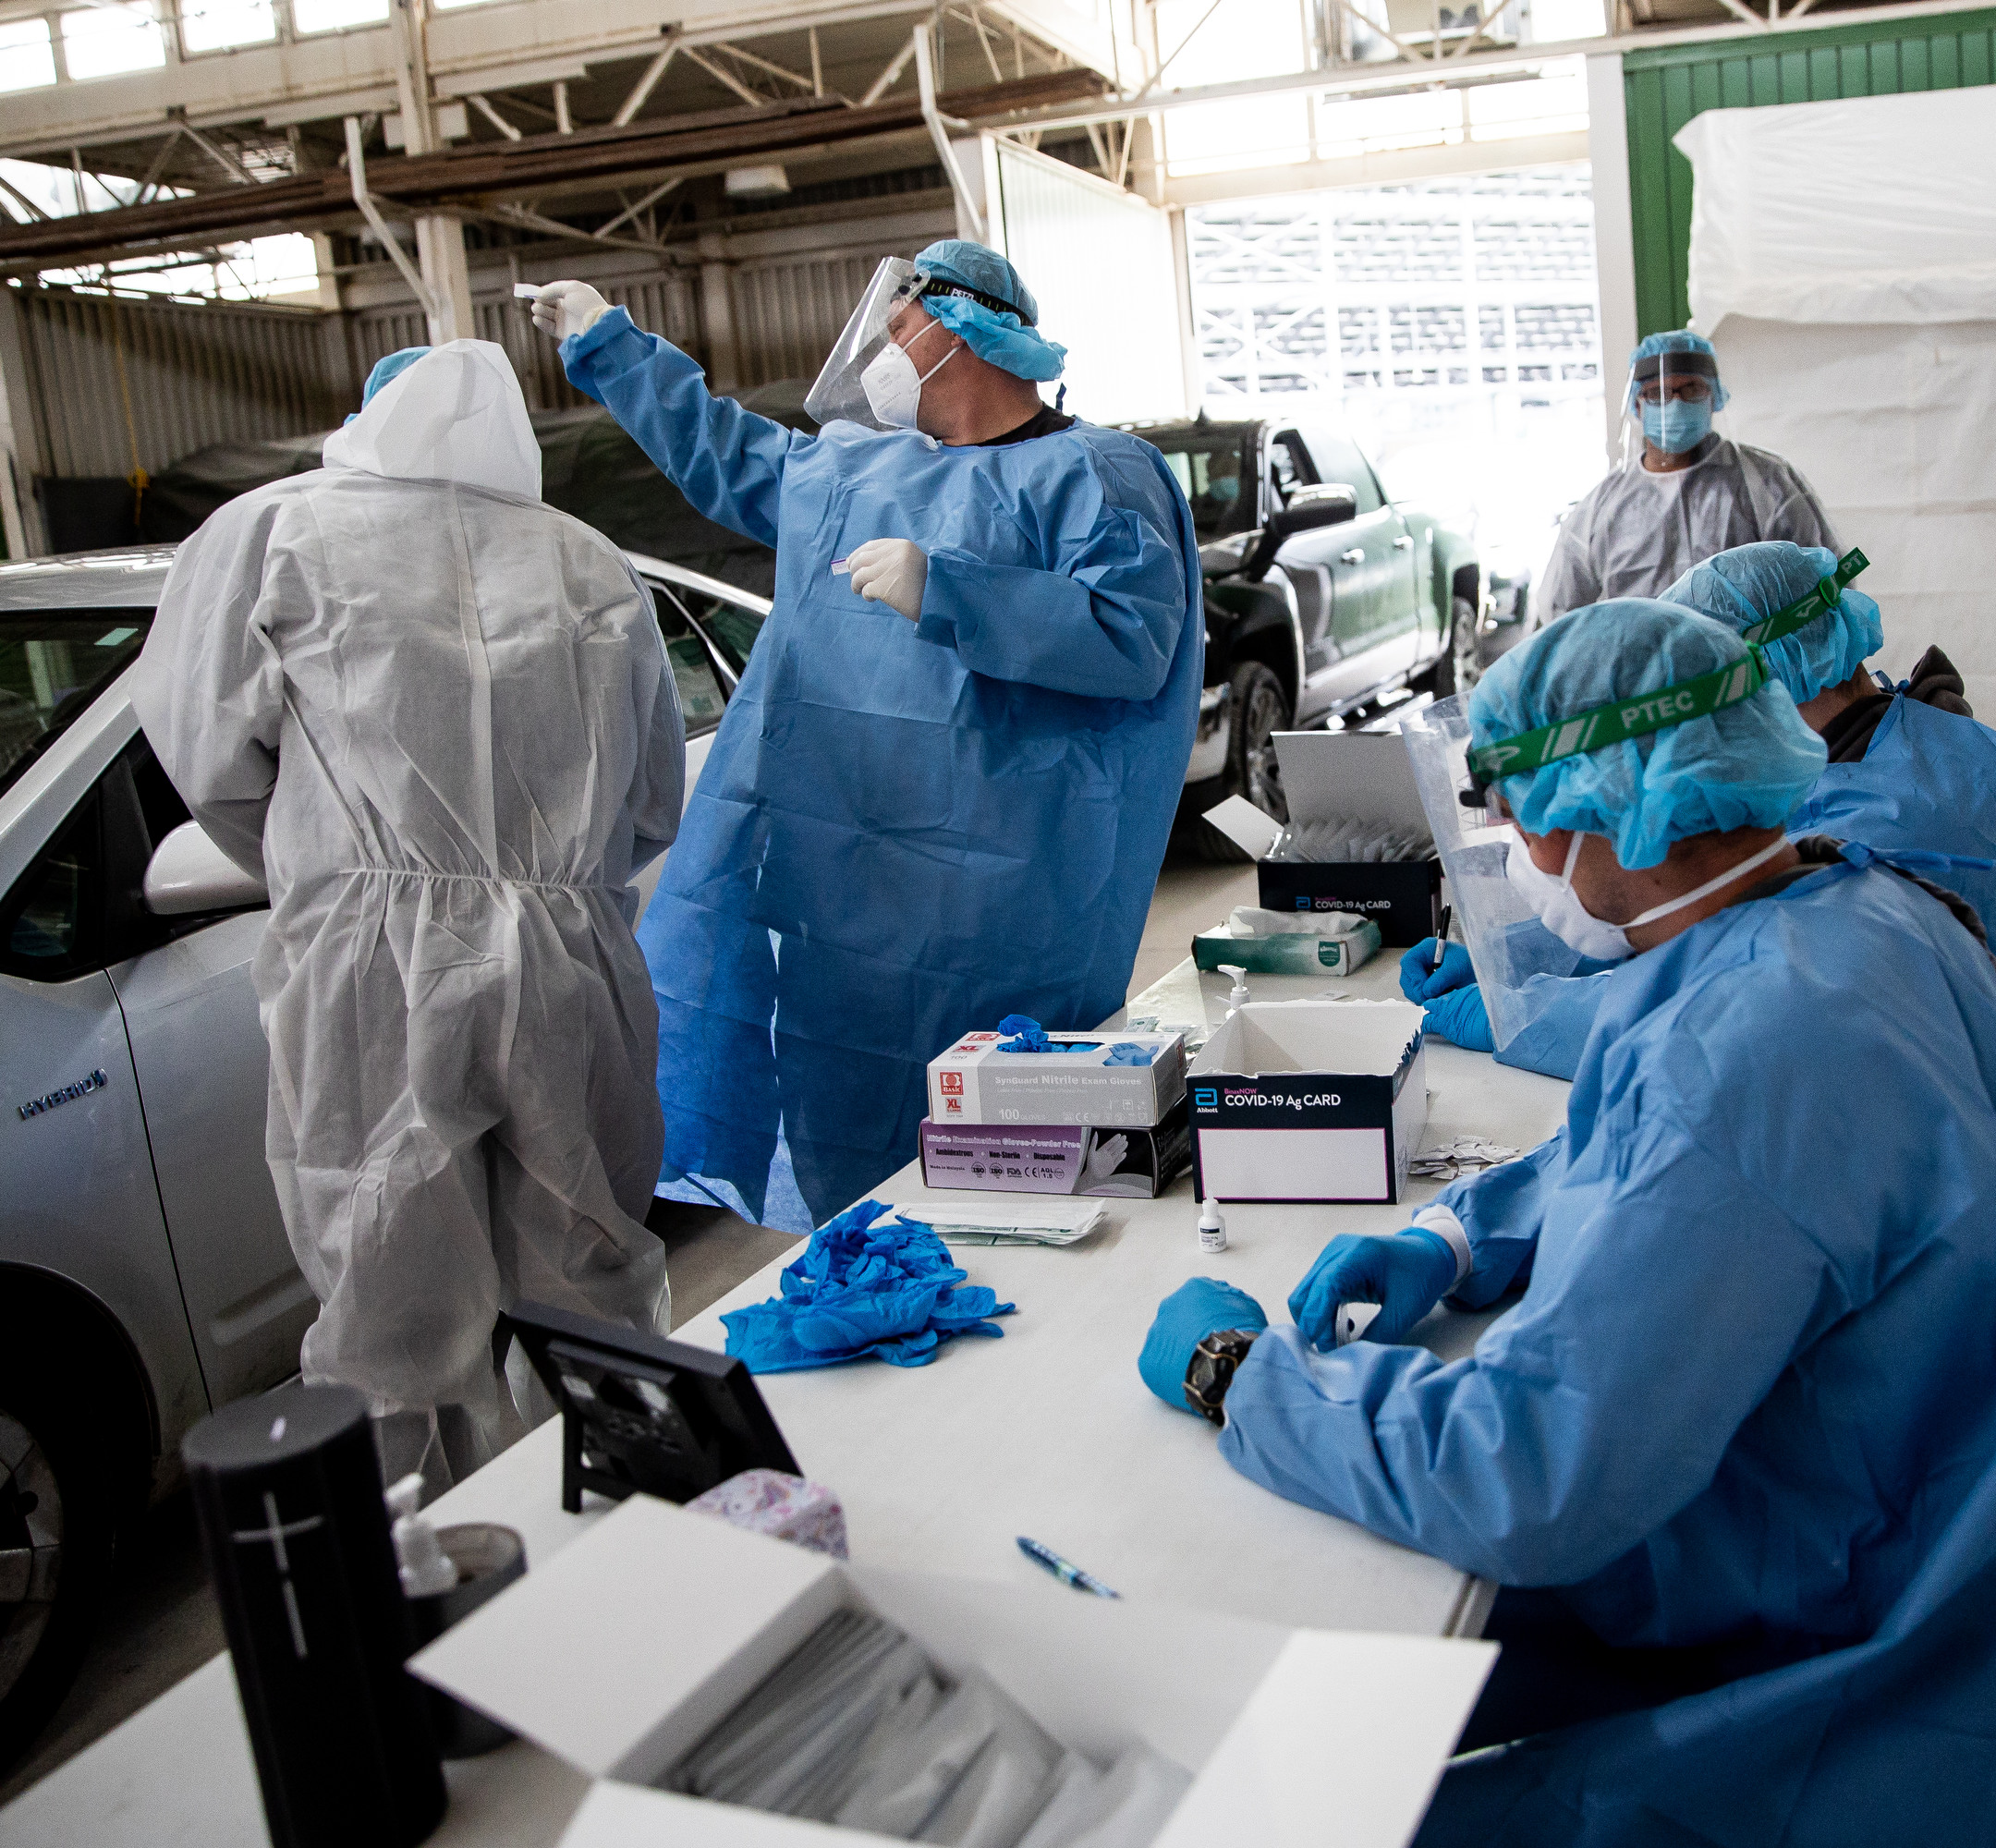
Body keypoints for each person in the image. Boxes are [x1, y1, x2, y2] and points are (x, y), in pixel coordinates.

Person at [1138, 599, 1996, 1846]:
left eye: (1519, 812)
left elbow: (1534, 1473)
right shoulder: (1854, 904)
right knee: (1398, 1690)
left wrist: (1245, 1376)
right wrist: (1457, 1237)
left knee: (1359, 1807)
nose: (1514, 849)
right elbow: (1652, 1148)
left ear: (1620, 810)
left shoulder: (1751, 1045)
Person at [526, 242, 1201, 1232]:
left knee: (1013, 1175)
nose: (885, 347)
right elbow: (721, 451)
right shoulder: (853, 469)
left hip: (1005, 917)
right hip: (839, 919)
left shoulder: (1094, 475)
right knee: (854, 1189)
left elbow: (1132, 638)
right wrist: (609, 345)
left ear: (962, 332)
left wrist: (952, 589)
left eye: (902, 324)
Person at [135, 340, 681, 1487]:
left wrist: (333, 860)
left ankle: (417, 1559)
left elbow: (208, 755)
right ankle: (630, 1532)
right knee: (595, 1280)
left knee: (385, 1302)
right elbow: (649, 803)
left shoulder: (274, 530)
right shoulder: (589, 559)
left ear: (365, 421)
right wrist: (553, 878)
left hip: (371, 966)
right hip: (570, 953)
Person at [1406, 543, 1996, 1138]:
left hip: (1991, 1116)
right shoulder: (1927, 741)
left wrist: (1519, 1015)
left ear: (1760, 672)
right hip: (1994, 1069)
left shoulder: (1884, 825)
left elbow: (1716, 1005)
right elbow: (1699, 911)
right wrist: (1513, 956)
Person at [1536, 330, 1837, 612]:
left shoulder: (1768, 482)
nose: (1676, 403)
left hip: (1748, 653)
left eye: (1692, 389)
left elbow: (1826, 584)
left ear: (1714, 396)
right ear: (1637, 405)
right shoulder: (1601, 508)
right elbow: (1561, 613)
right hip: (1641, 654)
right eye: (1658, 393)